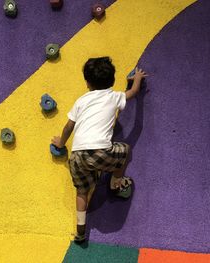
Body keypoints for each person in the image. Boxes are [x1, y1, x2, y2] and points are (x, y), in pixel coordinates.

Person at [51, 57, 147, 242]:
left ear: (87, 83)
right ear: (112, 81)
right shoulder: (114, 96)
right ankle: (115, 182)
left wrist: (61, 143)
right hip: (100, 153)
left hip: (77, 157)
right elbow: (133, 92)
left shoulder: (81, 101)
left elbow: (68, 127)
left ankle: (80, 232)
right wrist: (137, 78)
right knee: (125, 150)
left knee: (81, 192)